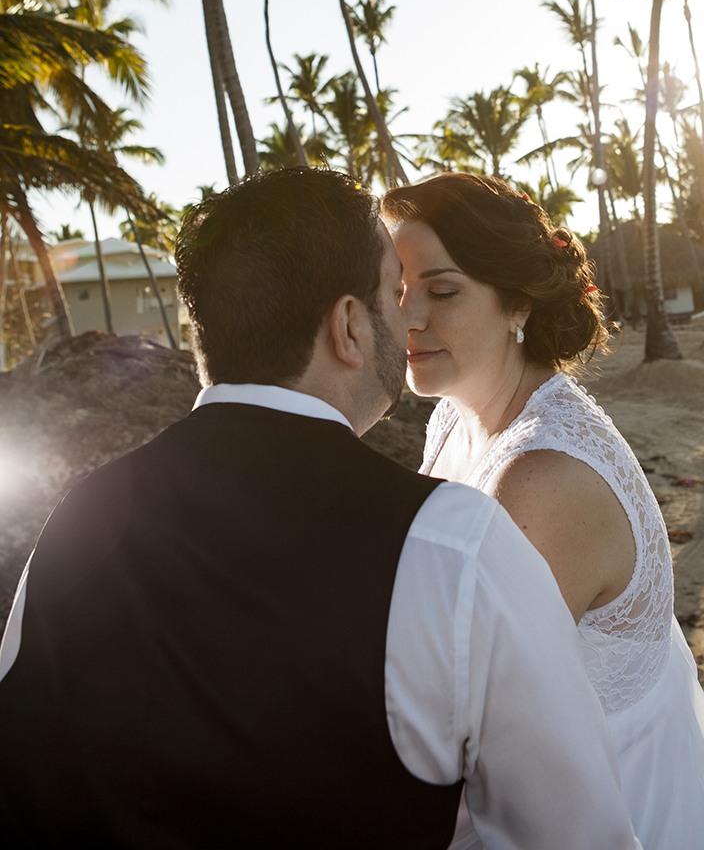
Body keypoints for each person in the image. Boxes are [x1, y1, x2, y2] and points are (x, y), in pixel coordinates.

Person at [0, 167, 641, 850]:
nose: (410, 316)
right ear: (350, 327)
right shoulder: (456, 550)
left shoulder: (77, 517)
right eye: (392, 295)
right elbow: (580, 837)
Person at [382, 170, 704, 850]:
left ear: (518, 305)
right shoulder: (455, 415)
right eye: (398, 289)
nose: (409, 317)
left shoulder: (542, 480)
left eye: (442, 291)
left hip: (608, 804)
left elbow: (474, 721)